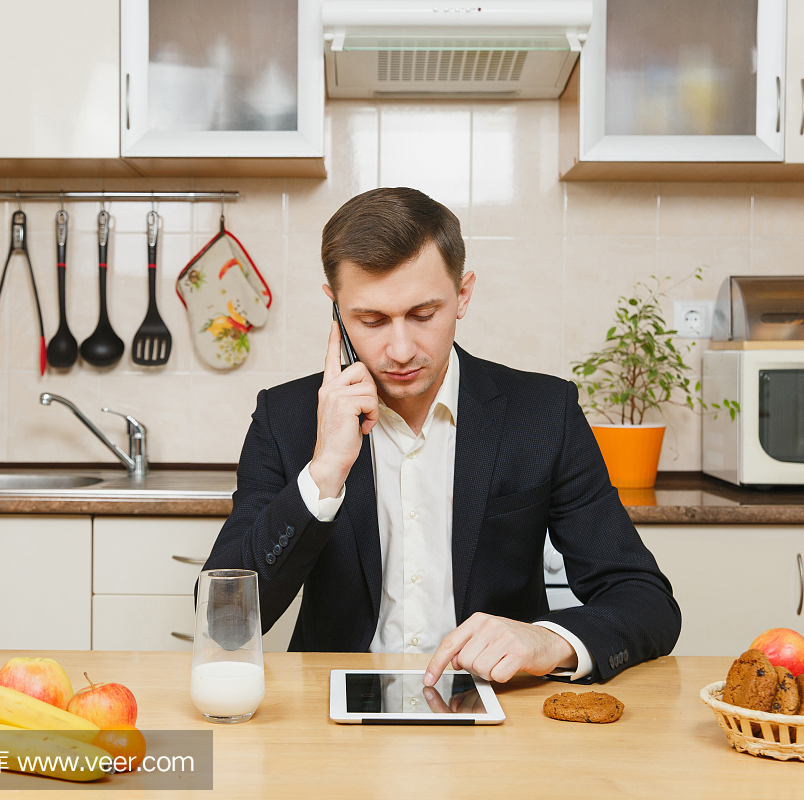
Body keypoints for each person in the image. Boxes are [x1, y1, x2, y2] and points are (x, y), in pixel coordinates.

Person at [202, 187, 680, 685]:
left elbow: (645, 600)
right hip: (336, 714)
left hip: (503, 708)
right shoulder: (286, 418)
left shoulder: (543, 412)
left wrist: (549, 640)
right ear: (336, 307)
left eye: (424, 315)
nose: (402, 349)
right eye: (371, 320)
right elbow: (225, 623)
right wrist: (323, 473)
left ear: (463, 295)